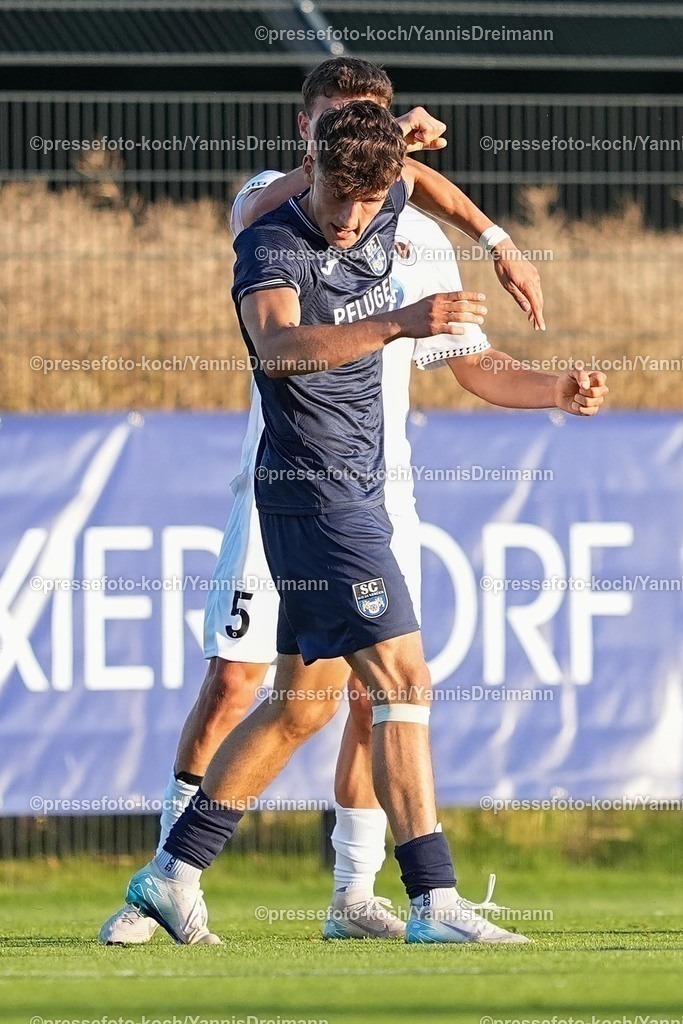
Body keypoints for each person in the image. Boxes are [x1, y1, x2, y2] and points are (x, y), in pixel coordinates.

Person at [122, 100, 608, 946]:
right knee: (402, 683)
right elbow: (279, 349)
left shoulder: (389, 204)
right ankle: (433, 900)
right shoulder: (271, 241)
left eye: (370, 198)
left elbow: (426, 208)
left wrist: (547, 373)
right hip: (315, 490)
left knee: (301, 706)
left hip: (366, 493)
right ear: (309, 167)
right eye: (338, 195)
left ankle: (173, 872)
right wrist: (398, 321)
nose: (351, 218)